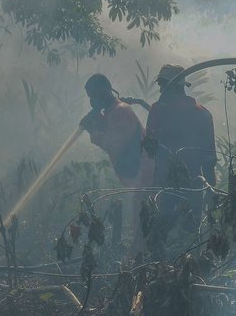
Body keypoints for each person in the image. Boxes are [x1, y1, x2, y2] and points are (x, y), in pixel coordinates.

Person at [79, 74, 152, 249]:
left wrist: (92, 131)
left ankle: (140, 259)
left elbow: (115, 144)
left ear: (106, 90)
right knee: (142, 219)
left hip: (144, 172)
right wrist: (95, 119)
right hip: (138, 174)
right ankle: (141, 255)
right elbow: (110, 130)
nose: (93, 101)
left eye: (94, 96)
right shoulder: (112, 112)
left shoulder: (121, 111)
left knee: (142, 221)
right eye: (90, 98)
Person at [145, 64, 217, 231]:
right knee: (190, 236)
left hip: (166, 185)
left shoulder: (158, 110)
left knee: (163, 233)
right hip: (195, 185)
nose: (160, 90)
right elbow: (209, 159)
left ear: (170, 86)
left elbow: (150, 149)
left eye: (162, 85)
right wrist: (210, 190)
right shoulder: (202, 113)